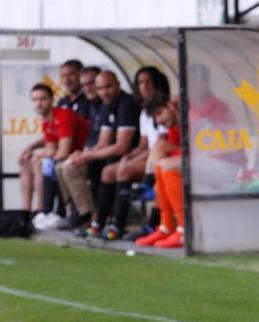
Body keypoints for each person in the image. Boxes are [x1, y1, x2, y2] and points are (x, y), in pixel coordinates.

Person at [56, 70, 140, 236]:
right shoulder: (106, 106)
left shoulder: (126, 103)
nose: (104, 92)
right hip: (113, 156)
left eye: (108, 87)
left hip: (130, 156)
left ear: (118, 84)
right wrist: (81, 155)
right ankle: (87, 215)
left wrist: (87, 156)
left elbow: (122, 147)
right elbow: (103, 142)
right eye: (100, 88)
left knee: (106, 170)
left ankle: (98, 218)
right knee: (64, 166)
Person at [93, 66, 169, 240]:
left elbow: (161, 143)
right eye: (141, 82)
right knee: (108, 171)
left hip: (159, 157)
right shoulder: (144, 111)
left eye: (149, 81)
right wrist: (129, 156)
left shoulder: (164, 108)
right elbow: (144, 143)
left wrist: (131, 161)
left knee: (124, 170)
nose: (145, 86)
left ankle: (119, 225)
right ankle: (99, 223)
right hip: (149, 156)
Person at [17, 83, 90, 227]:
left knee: (44, 163)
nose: (39, 103)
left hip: (87, 156)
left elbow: (63, 152)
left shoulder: (63, 115)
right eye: (35, 99)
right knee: (37, 162)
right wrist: (36, 153)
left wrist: (41, 156)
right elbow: (51, 150)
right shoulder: (46, 121)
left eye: (43, 99)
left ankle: (48, 211)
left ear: (51, 99)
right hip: (71, 158)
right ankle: (34, 213)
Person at [135, 93, 185, 249]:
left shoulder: (190, 118)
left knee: (164, 163)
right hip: (195, 164)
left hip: (218, 164)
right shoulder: (173, 127)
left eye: (159, 113)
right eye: (155, 118)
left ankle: (184, 229)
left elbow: (199, 152)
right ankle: (166, 227)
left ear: (170, 105)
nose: (159, 121)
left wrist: (170, 149)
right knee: (162, 167)